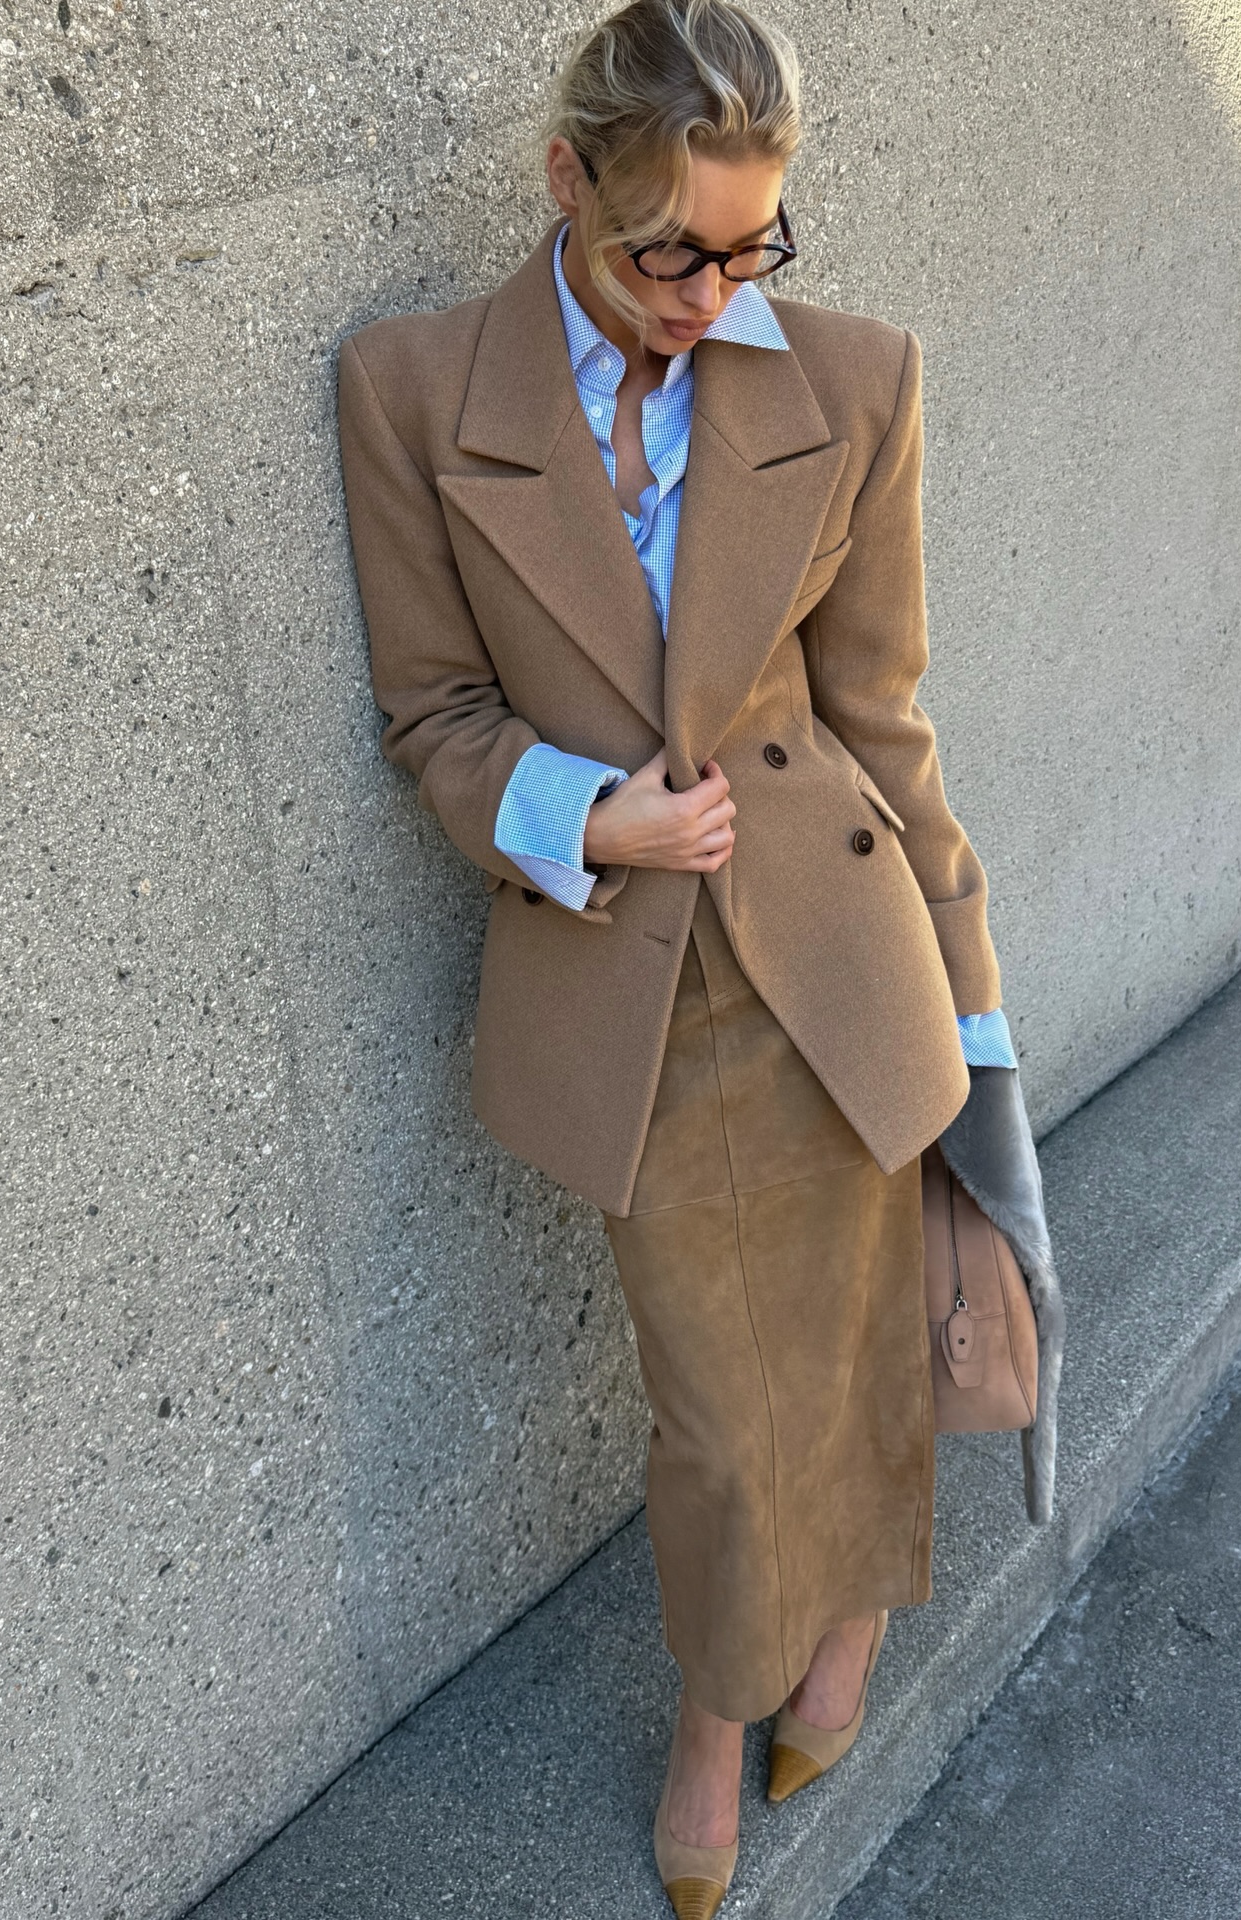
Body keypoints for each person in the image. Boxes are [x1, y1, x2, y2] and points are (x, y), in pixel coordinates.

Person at [337, 3, 1056, 1912]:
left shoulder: (856, 381)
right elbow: (430, 714)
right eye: (672, 251)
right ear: (568, 180)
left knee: (871, 1332)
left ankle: (850, 1630)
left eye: (753, 248)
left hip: (844, 955)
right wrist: (590, 814)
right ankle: (716, 1704)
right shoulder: (413, 390)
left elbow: (885, 720)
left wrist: (976, 1002)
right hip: (631, 984)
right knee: (726, 1411)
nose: (713, 296)